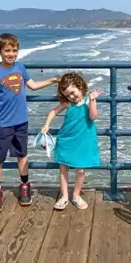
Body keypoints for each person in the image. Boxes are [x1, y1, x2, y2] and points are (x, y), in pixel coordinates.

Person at [0, 33, 60, 213]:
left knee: (22, 155)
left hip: (21, 123)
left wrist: (52, 80)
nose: (11, 54)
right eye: (7, 50)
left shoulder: (21, 68)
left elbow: (33, 85)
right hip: (1, 124)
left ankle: (24, 186)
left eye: (14, 50)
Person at [41, 72, 101, 211]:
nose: (71, 97)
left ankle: (76, 195)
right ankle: (64, 196)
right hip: (66, 139)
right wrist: (47, 124)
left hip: (84, 141)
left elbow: (93, 116)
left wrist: (92, 100)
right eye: (68, 95)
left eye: (73, 93)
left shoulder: (88, 100)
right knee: (63, 168)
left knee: (80, 170)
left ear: (80, 86)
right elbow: (53, 112)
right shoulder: (68, 103)